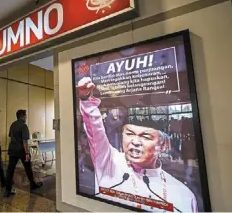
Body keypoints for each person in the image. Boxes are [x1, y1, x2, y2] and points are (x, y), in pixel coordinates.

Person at [77, 77, 197, 212]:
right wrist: (86, 100)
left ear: (163, 145)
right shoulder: (110, 162)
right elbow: (95, 130)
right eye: (129, 133)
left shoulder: (184, 197)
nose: (135, 142)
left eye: (145, 136)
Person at [4, 109, 43, 197]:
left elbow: (11, 136)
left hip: (12, 149)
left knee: (10, 170)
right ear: (23, 116)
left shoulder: (13, 124)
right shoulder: (24, 126)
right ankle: (33, 185)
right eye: (26, 115)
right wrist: (26, 153)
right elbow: (24, 141)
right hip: (21, 150)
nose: (26, 117)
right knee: (28, 168)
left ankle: (7, 190)